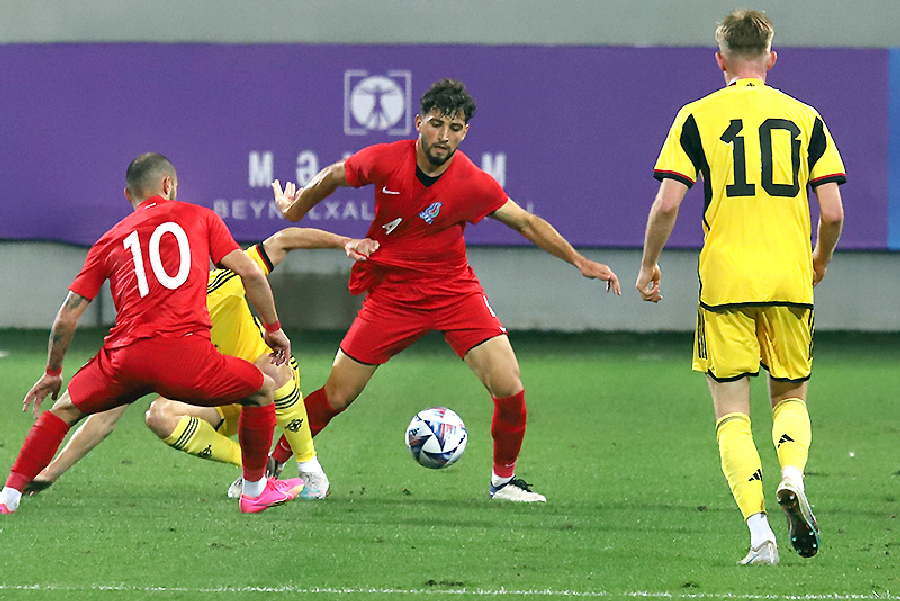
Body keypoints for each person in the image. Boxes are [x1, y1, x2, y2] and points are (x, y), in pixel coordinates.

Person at [272, 78, 621, 502]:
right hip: (394, 294)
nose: (444, 135)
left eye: (454, 128)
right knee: (338, 394)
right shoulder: (386, 160)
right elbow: (333, 175)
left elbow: (527, 222)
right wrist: (296, 209)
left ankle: (503, 483)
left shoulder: (472, 182)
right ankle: (274, 461)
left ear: (465, 132)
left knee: (509, 385)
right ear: (419, 122)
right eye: (436, 124)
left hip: (454, 292)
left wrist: (579, 261)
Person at [635, 10, 845, 564]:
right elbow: (832, 211)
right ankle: (792, 476)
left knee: (732, 412)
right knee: (790, 396)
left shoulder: (696, 116)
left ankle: (760, 535)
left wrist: (649, 264)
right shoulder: (805, 118)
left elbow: (668, 204)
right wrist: (819, 259)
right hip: (789, 279)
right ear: (771, 58)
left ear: (720, 60)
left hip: (726, 281)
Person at [0, 152, 304, 515]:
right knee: (261, 390)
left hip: (125, 358)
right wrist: (274, 330)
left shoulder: (109, 239)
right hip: (186, 357)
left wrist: (52, 372)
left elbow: (67, 317)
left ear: (128, 195)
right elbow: (251, 273)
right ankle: (254, 491)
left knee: (63, 410)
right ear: (168, 184)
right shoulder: (201, 218)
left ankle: (8, 496)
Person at [23, 227, 378, 501]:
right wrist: (50, 472)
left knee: (272, 368)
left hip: (265, 389)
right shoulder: (153, 326)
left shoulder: (224, 282)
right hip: (218, 401)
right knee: (159, 415)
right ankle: (257, 468)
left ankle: (310, 470)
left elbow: (283, 240)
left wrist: (344, 242)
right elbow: (105, 415)